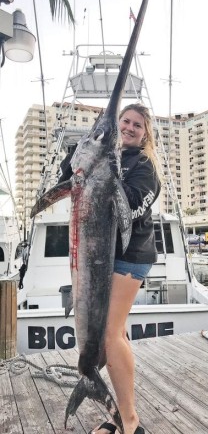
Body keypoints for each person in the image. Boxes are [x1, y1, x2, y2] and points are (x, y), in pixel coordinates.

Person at [90, 103, 161, 434]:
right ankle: (121, 414)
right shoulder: (107, 156)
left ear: (145, 132)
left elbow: (129, 209)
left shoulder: (145, 167)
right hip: (104, 255)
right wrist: (91, 146)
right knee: (114, 335)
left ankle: (130, 421)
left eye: (137, 124)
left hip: (131, 256)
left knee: (110, 334)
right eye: (126, 121)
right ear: (117, 124)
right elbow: (70, 173)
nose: (131, 127)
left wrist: (107, 173)